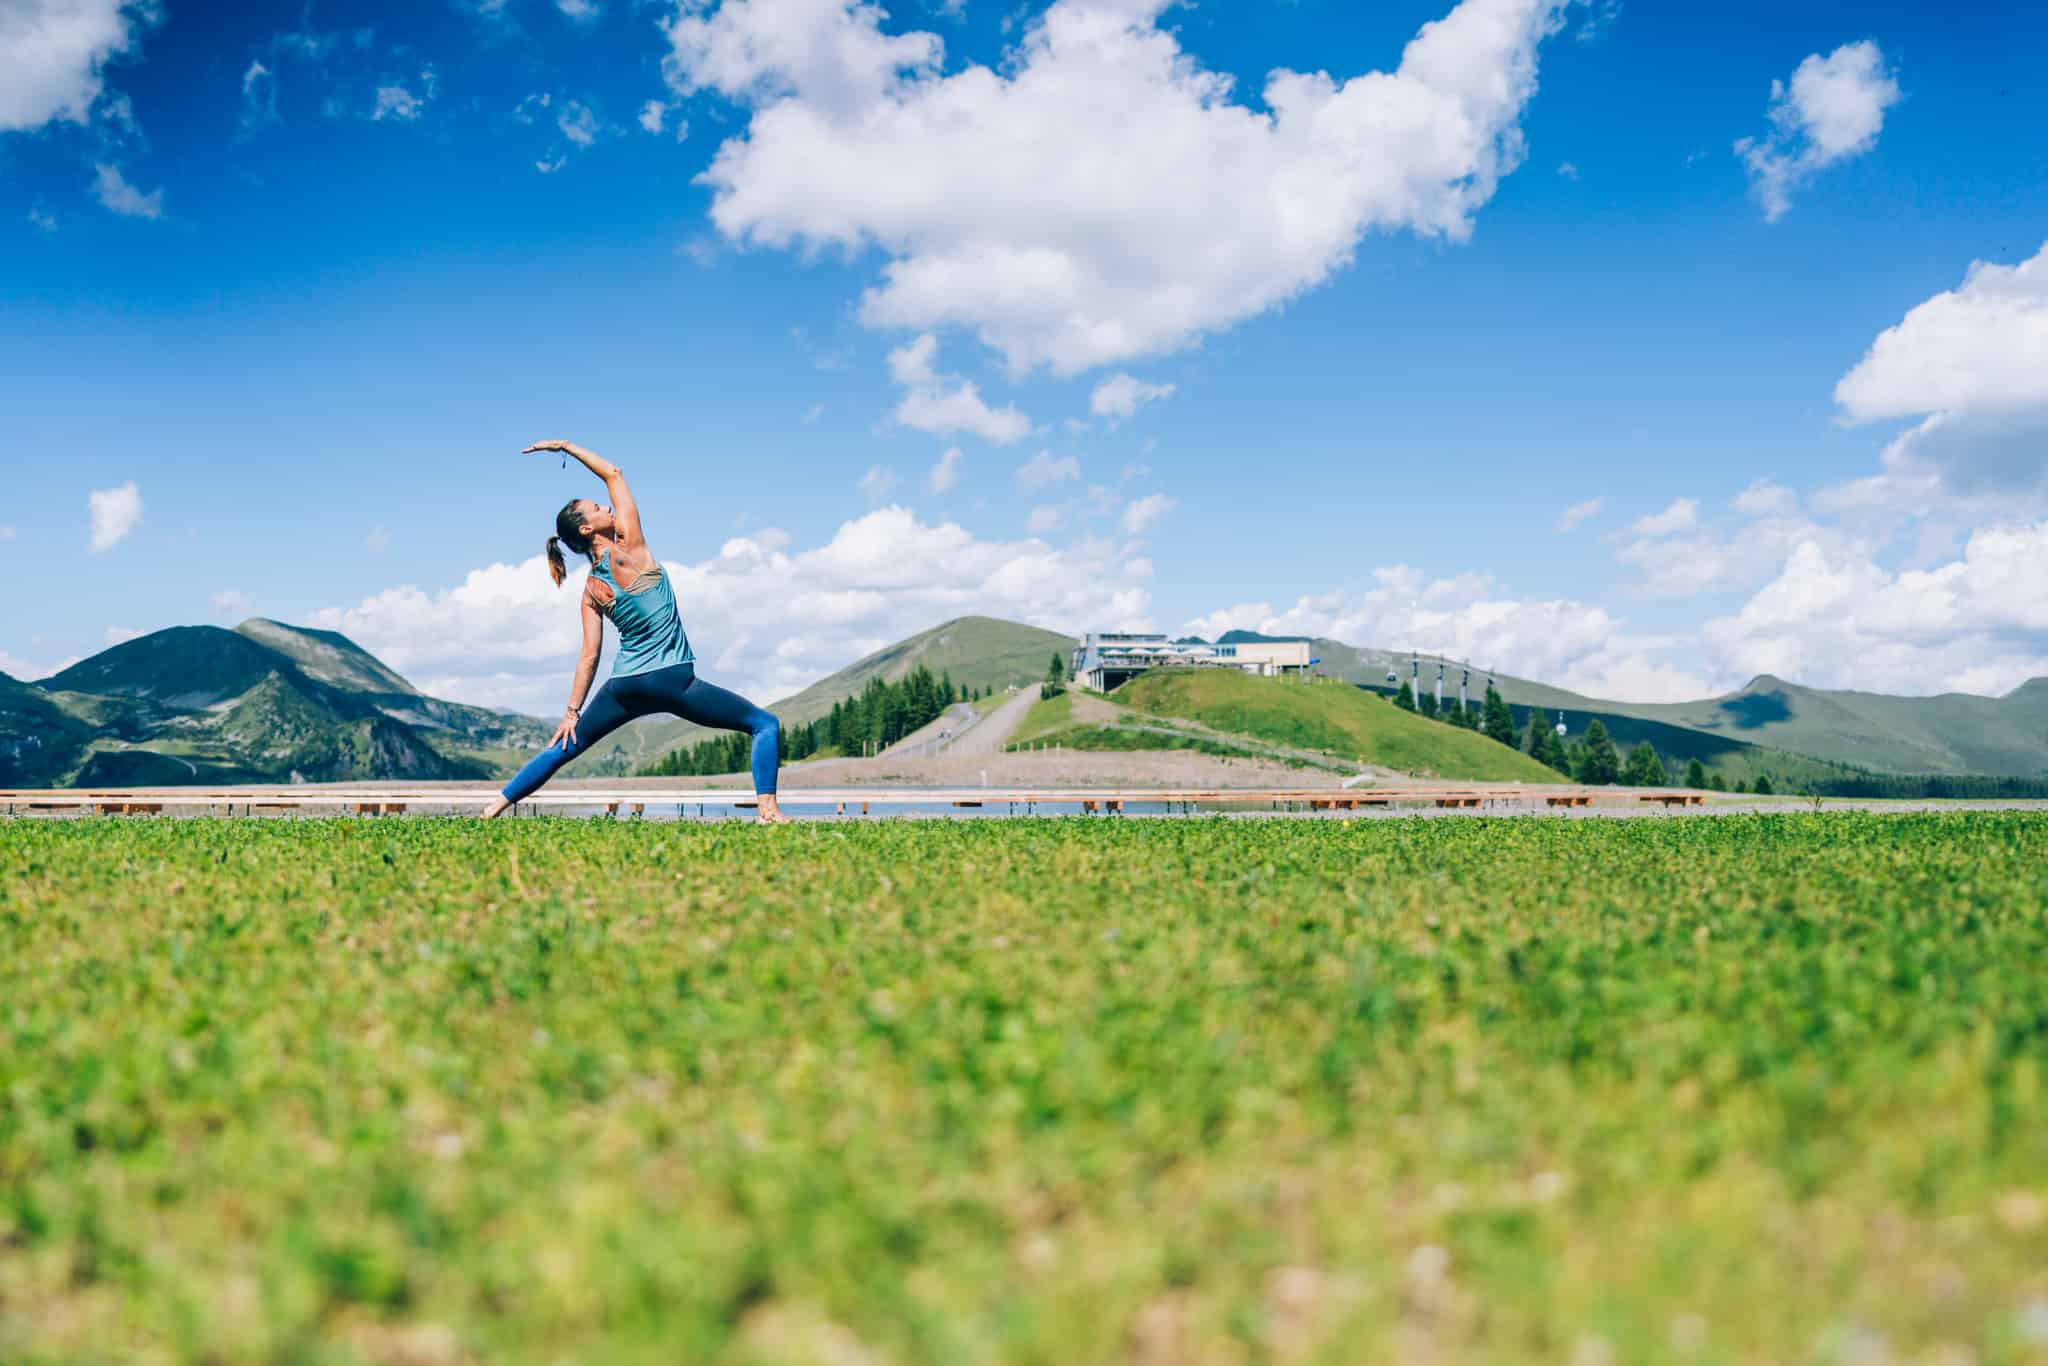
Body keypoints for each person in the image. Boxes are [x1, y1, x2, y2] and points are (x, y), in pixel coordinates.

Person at [481, 440, 789, 823]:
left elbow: (589, 657)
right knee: (764, 724)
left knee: (564, 747)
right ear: (588, 527)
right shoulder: (633, 547)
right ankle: (768, 811)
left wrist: (571, 713)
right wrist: (564, 447)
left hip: (625, 685)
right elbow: (614, 473)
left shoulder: (591, 590)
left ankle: (492, 808)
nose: (606, 506)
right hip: (672, 678)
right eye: (596, 508)